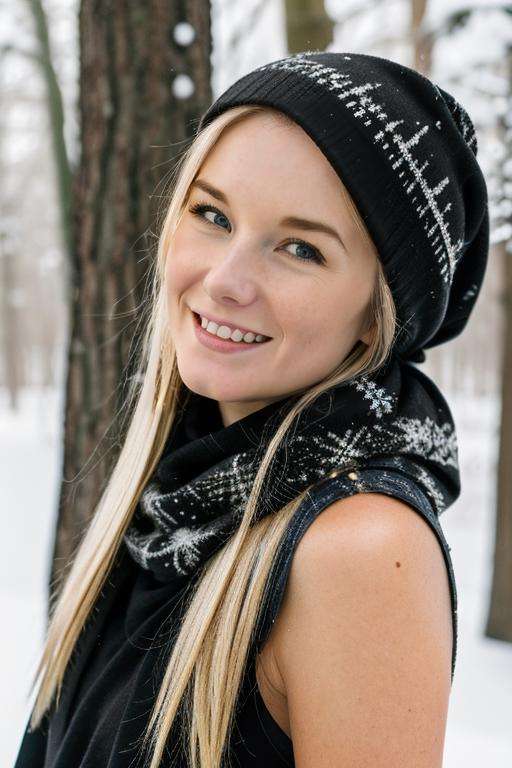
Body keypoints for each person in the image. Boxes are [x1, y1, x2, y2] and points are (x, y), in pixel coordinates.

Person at [14, 50, 489, 768]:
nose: (226, 279)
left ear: (377, 314)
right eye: (212, 214)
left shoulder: (356, 549)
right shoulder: (181, 497)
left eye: (300, 248)